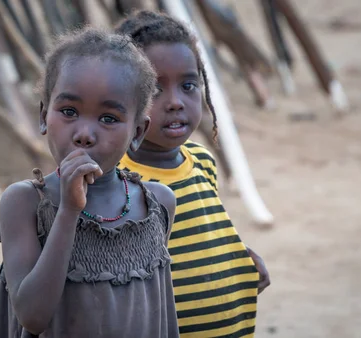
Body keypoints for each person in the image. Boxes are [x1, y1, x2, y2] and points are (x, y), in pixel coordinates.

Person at [0, 27, 181, 338]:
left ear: (137, 132)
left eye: (108, 118)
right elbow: (33, 316)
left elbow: (162, 315)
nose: (84, 134)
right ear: (43, 116)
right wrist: (67, 212)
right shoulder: (24, 203)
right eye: (68, 111)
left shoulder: (156, 205)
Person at [115, 11, 271, 338]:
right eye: (155, 89)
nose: (175, 102)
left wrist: (237, 263)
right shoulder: (116, 183)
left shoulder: (201, 162)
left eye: (189, 85)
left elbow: (200, 235)